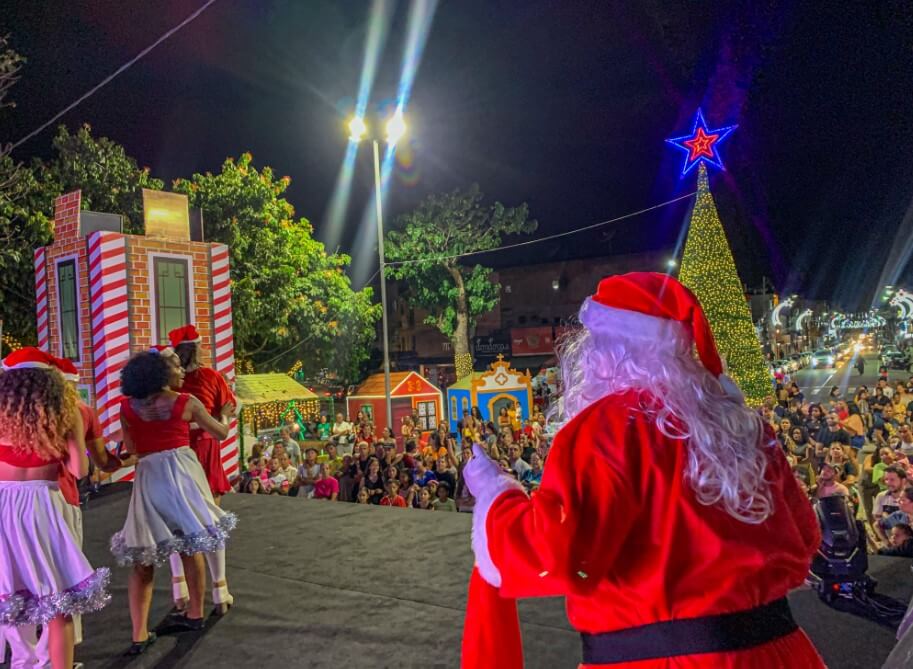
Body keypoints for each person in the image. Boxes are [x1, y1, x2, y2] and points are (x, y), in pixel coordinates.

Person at [460, 273, 824, 669]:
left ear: (609, 351)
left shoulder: (607, 428)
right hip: (781, 654)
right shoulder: (746, 426)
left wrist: (496, 494)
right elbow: (805, 537)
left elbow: (554, 553)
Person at [111, 350, 235, 655]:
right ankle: (194, 614)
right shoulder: (186, 402)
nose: (182, 371)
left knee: (144, 555)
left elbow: (131, 447)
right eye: (176, 367)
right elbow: (220, 433)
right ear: (161, 374)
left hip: (150, 475)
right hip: (181, 473)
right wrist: (226, 414)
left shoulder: (126, 407)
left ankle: (139, 633)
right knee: (191, 544)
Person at [0, 348, 111, 669]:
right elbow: (79, 470)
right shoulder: (67, 411)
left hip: (4, 502)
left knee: (10, 592)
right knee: (58, 600)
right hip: (42, 503)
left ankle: (22, 662)